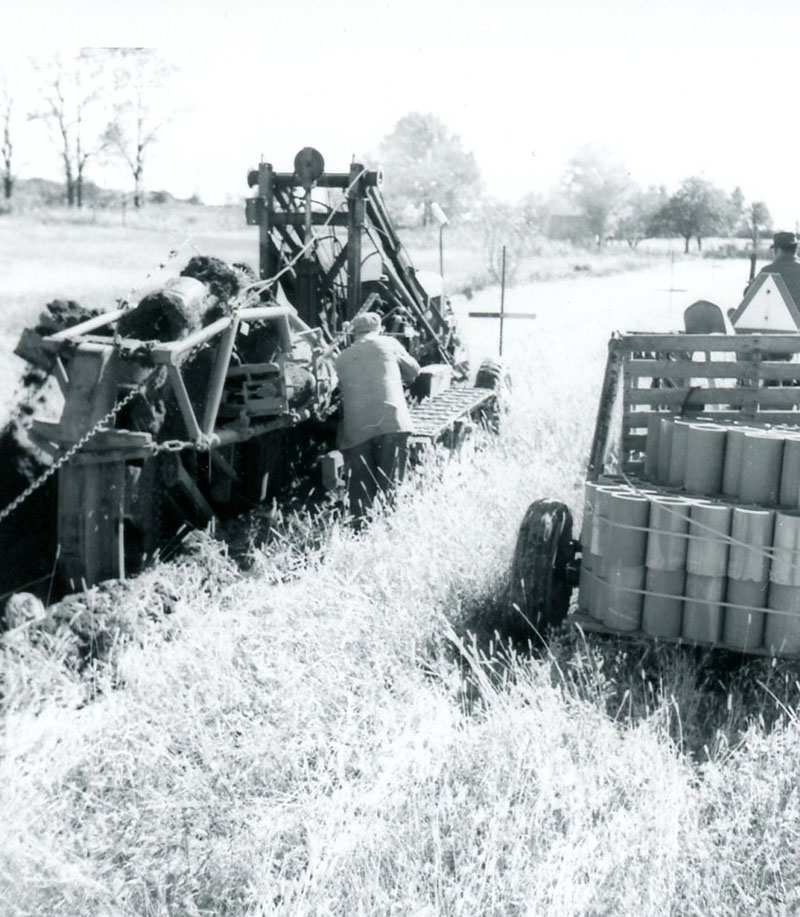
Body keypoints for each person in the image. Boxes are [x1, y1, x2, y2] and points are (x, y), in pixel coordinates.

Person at [334, 310, 420, 525]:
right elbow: (414, 371)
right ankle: (389, 531)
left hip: (357, 432)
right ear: (379, 329)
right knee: (391, 487)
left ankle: (361, 534)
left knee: (361, 494)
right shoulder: (388, 343)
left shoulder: (341, 358)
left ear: (354, 333)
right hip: (391, 423)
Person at [748, 231, 800, 307]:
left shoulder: (767, 272)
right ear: (795, 250)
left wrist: (751, 286)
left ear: (778, 250)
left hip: (774, 317)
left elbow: (748, 298)